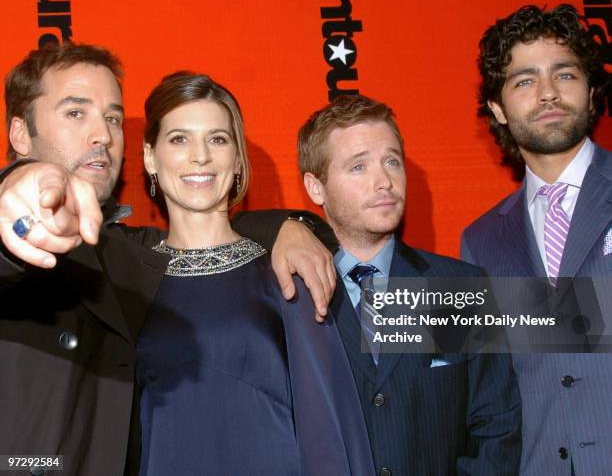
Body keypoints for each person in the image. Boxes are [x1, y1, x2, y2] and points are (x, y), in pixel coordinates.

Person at [0, 43, 335, 476]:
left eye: (113, 118)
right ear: (21, 136)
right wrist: (16, 184)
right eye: (75, 113)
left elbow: (203, 239)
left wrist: (287, 227)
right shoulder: (12, 228)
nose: (102, 134)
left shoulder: (132, 254)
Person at [135, 71, 373, 475]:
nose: (201, 156)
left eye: (218, 138)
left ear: (237, 157)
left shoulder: (287, 272)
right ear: (149, 156)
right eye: (179, 139)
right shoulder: (127, 281)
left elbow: (328, 429)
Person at [298, 94, 522, 476]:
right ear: (316, 188)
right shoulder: (289, 294)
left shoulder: (461, 285)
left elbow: (496, 427)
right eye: (358, 167)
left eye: (391, 161)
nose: (384, 180)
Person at [461, 4, 611, 475]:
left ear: (590, 93)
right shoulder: (480, 241)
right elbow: (486, 390)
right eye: (524, 80)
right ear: (498, 108)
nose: (547, 93)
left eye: (564, 75)